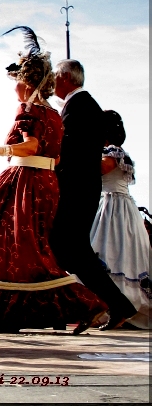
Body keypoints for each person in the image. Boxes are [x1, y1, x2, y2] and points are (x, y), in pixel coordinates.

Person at [0, 27, 106, 333]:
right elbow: (51, 156)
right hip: (44, 183)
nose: (14, 88)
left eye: (17, 83)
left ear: (27, 84)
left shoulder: (27, 109)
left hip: (25, 183)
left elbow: (31, 147)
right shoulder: (54, 114)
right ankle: (14, 313)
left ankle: (83, 302)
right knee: (27, 251)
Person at [49, 59, 138, 330]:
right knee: (73, 253)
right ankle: (111, 304)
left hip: (75, 192)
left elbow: (70, 154)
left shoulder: (80, 108)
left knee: (65, 251)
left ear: (65, 77)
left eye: (55, 76)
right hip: (84, 192)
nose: (52, 82)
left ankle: (84, 306)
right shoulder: (85, 106)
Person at [90, 111, 150, 329]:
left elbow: (102, 168)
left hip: (112, 207)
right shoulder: (118, 153)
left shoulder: (111, 152)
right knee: (121, 253)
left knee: (109, 252)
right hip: (122, 207)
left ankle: (115, 307)